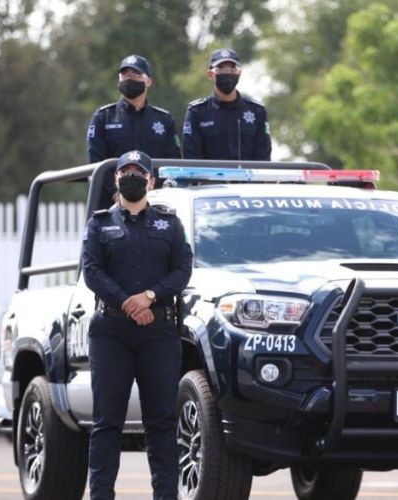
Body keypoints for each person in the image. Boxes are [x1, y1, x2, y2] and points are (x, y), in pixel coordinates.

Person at [81, 150, 192, 500]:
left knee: (161, 424)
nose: (132, 175)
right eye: (124, 171)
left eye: (138, 171)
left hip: (158, 333)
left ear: (151, 181)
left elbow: (182, 270)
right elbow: (92, 272)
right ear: (115, 180)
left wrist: (150, 297)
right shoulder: (99, 224)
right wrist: (129, 304)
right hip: (111, 332)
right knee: (106, 424)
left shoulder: (169, 224)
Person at [87, 54, 182, 208]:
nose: (129, 78)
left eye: (136, 74)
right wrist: (118, 193)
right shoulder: (103, 117)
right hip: (112, 204)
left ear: (148, 81)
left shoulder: (164, 120)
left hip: (156, 204)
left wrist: (156, 194)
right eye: (125, 74)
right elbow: (97, 164)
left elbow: (173, 163)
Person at [183, 47, 272, 160]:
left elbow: (263, 155)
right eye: (221, 69)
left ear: (239, 73)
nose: (227, 73)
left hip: (248, 177)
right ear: (210, 74)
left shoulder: (257, 111)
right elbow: (192, 157)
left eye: (232, 68)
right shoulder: (197, 111)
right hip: (208, 177)